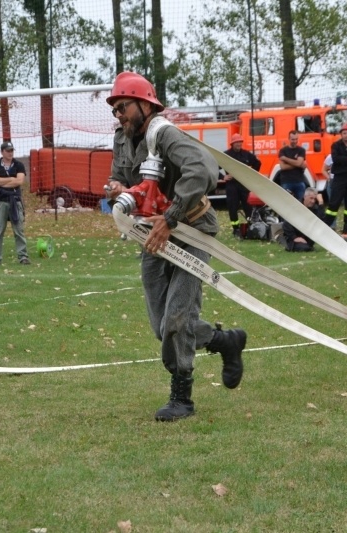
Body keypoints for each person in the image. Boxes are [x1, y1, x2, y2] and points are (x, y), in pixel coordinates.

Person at [106, 72, 248, 422]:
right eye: (115, 110)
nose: (119, 114)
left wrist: (170, 217)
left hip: (189, 230)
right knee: (161, 327)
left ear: (144, 104)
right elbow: (125, 179)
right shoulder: (122, 139)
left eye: (123, 107)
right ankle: (224, 341)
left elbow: (203, 172)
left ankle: (182, 397)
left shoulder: (165, 134)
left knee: (177, 318)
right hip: (151, 234)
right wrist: (117, 188)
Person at [0, 142, 30, 266]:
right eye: (8, 151)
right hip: (1, 202)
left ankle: (23, 257)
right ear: (2, 152)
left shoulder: (19, 165)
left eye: (12, 151)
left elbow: (19, 181)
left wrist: (2, 182)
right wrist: (11, 179)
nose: (10, 153)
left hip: (15, 201)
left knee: (19, 230)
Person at [323, 123, 347, 235]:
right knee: (333, 204)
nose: (346, 135)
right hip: (339, 178)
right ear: (341, 134)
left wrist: (344, 160)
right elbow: (335, 159)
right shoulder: (336, 146)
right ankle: (325, 227)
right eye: (344, 133)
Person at [223, 133, 261, 237]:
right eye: (237, 142)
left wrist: (251, 175)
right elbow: (214, 166)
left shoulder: (246, 154)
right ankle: (236, 229)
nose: (239, 144)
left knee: (248, 207)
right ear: (232, 143)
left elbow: (257, 163)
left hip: (244, 185)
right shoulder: (226, 155)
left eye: (240, 142)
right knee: (232, 208)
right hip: (232, 185)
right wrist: (223, 177)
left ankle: (250, 228)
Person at [280, 187, 323, 252]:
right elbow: (286, 224)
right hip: (294, 236)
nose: (313, 201)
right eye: (311, 198)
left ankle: (308, 246)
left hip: (307, 237)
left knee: (307, 247)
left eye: (314, 199)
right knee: (304, 248)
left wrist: (321, 203)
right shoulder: (296, 207)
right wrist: (295, 238)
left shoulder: (315, 208)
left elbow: (321, 221)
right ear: (305, 196)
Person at [277, 130, 307, 201]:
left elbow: (299, 163)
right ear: (289, 139)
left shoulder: (301, 150)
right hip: (286, 181)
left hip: (299, 181)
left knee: (301, 203)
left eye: (296, 139)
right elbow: (283, 167)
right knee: (286, 202)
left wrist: (285, 159)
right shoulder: (283, 151)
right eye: (293, 139)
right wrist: (298, 164)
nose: (295, 141)